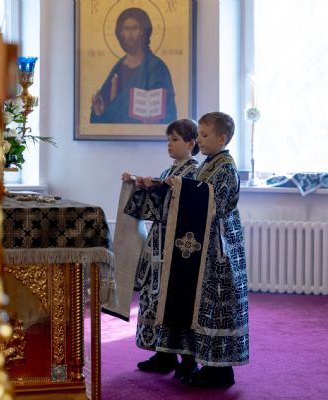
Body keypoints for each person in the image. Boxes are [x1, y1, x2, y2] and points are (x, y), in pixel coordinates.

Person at [174, 111, 249, 387]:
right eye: (199, 135)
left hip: (221, 249)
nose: (200, 140)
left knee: (219, 307)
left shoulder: (226, 167)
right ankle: (207, 364)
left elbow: (214, 204)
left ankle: (221, 370)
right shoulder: (208, 164)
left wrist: (183, 188)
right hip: (205, 247)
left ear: (222, 138)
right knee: (205, 306)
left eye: (204, 136)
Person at [122, 119, 199, 379]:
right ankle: (163, 353)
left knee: (176, 300)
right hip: (159, 244)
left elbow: (188, 204)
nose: (169, 144)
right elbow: (157, 206)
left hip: (177, 248)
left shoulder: (194, 172)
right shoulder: (170, 170)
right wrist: (140, 184)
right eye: (168, 139)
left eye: (175, 140)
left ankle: (187, 359)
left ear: (191, 143)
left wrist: (158, 185)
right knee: (154, 296)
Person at [90, 7, 177, 124]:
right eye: (126, 29)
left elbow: (168, 110)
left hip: (146, 133)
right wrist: (99, 111)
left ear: (142, 32)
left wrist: (155, 119)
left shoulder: (156, 68)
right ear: (121, 33)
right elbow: (106, 113)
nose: (130, 34)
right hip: (116, 135)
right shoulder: (118, 68)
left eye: (135, 28)